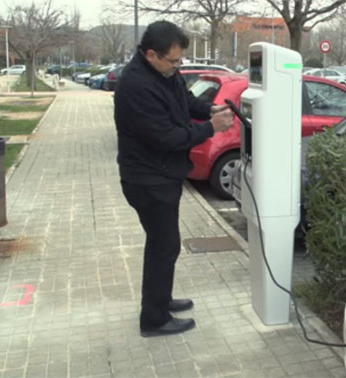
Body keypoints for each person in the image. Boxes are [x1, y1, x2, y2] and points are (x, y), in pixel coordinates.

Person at [114, 20, 233, 337]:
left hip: (164, 176)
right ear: (151, 54)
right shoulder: (136, 85)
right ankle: (153, 320)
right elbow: (166, 137)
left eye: (180, 60)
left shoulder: (164, 74)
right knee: (164, 247)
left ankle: (161, 300)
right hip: (148, 180)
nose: (178, 66)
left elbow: (186, 101)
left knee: (163, 245)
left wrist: (211, 108)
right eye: (174, 61)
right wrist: (212, 128)